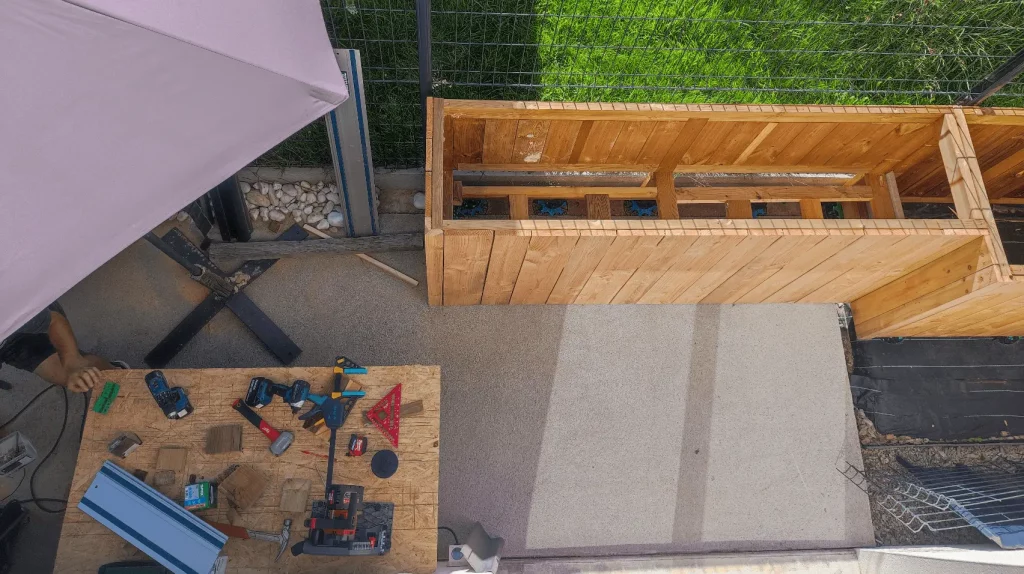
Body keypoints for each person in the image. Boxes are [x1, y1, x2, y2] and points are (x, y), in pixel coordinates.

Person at [0, 303, 125, 392]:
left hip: (25, 317)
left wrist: (73, 365)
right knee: (65, 378)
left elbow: (53, 321)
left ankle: (119, 374)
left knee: (81, 371)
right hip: (4, 344)